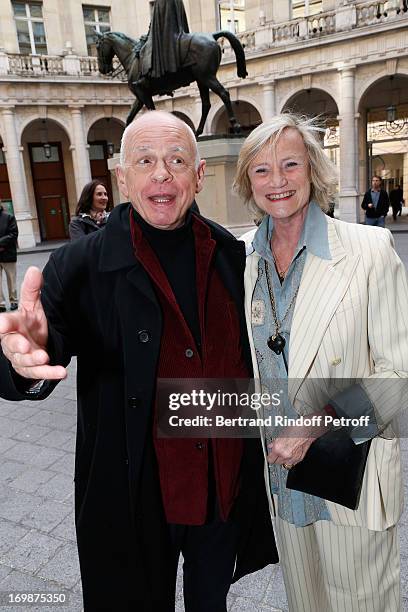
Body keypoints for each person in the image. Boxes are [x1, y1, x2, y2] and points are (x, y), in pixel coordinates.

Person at [0, 111, 277, 611]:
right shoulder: (80, 264)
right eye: (145, 161)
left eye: (176, 160)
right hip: (135, 495)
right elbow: (43, 346)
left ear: (198, 175)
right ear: (121, 176)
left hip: (219, 487)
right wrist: (26, 358)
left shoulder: (231, 256)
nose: (161, 175)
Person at [234, 113, 408, 612]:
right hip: (282, 481)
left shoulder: (369, 250)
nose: (278, 181)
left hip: (347, 474)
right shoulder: (241, 258)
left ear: (312, 168)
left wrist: (318, 422)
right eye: (262, 171)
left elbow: (399, 373)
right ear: (248, 182)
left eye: (290, 164)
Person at [140, 0, 190, 82]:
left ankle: (149, 77)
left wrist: (150, 33)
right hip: (174, 33)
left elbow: (156, 25)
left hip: (167, 37)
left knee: (145, 50)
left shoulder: (161, 3)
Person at [0, 201, 18, 312]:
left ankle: (13, 301)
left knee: (11, 279)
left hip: (7, 253)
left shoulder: (9, 217)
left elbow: (14, 234)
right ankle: (0, 303)